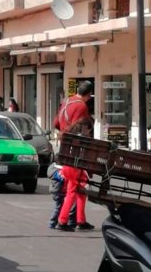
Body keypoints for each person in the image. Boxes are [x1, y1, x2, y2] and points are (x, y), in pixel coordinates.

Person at [54, 80, 95, 231]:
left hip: (65, 149)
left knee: (79, 185)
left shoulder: (67, 101)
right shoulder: (81, 106)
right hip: (76, 149)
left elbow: (56, 122)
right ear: (89, 95)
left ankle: (80, 220)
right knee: (73, 187)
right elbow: (85, 129)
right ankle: (63, 221)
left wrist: (64, 131)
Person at [47, 161, 76, 229]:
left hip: (55, 190)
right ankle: (52, 222)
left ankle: (54, 222)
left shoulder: (52, 169)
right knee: (58, 207)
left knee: (58, 206)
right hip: (59, 191)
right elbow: (63, 178)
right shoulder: (59, 172)